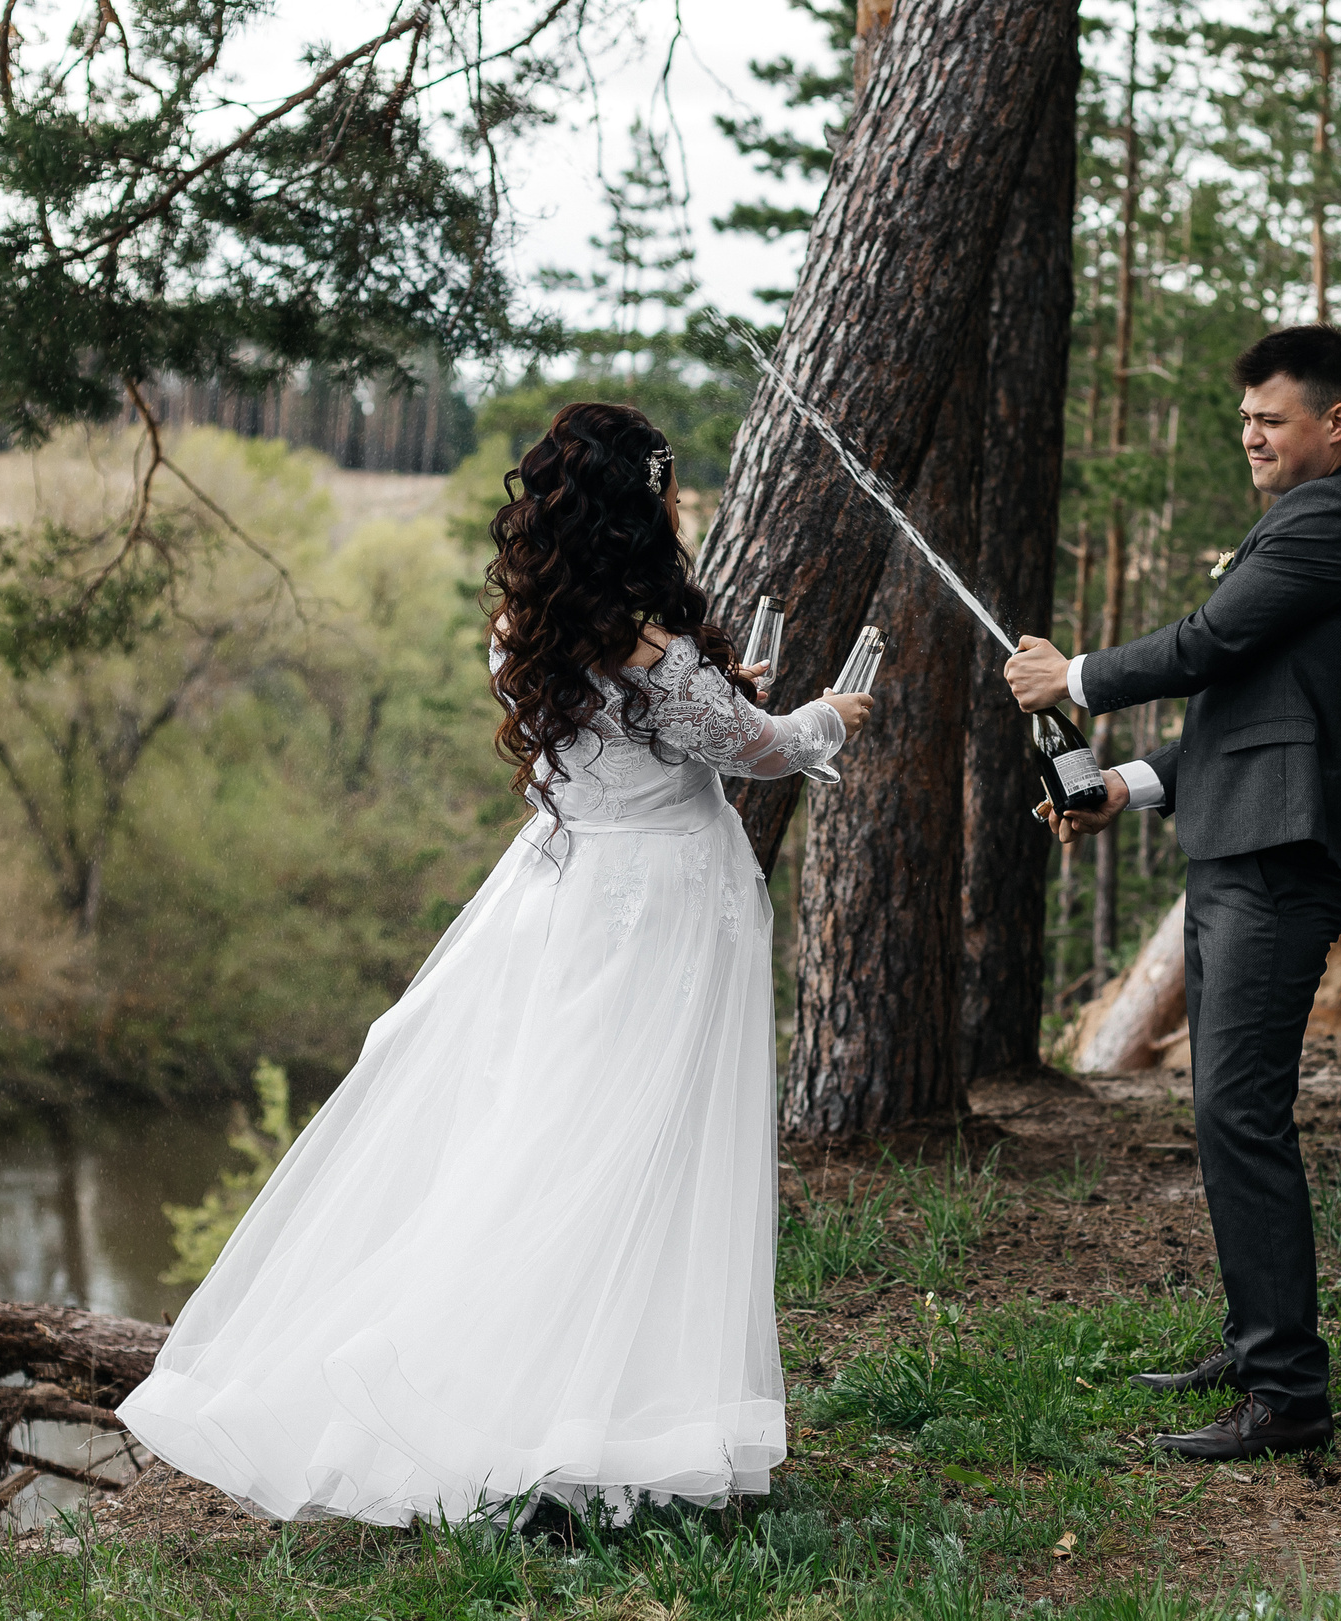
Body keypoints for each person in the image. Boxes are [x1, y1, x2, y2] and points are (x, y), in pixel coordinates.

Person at [118, 402, 872, 1527]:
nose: (681, 506)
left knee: (561, 1137)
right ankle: (573, 1434)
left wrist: (713, 696)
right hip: (660, 910)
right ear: (639, 510)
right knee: (638, 1155)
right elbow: (756, 752)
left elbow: (654, 725)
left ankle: (571, 1421)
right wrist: (829, 718)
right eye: (668, 490)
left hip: (570, 898)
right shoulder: (653, 653)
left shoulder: (535, 629)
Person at [1004, 326, 1341, 1462]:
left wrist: (1070, 677)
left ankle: (1287, 1397)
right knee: (1228, 1110)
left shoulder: (1331, 519)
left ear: (1335, 422)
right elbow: (1245, 710)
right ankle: (1257, 1343)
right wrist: (1122, 786)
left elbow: (1207, 642)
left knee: (1238, 1109)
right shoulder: (1302, 523)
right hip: (1245, 847)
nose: (1250, 438)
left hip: (1280, 862)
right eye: (1244, 422)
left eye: (1269, 419)